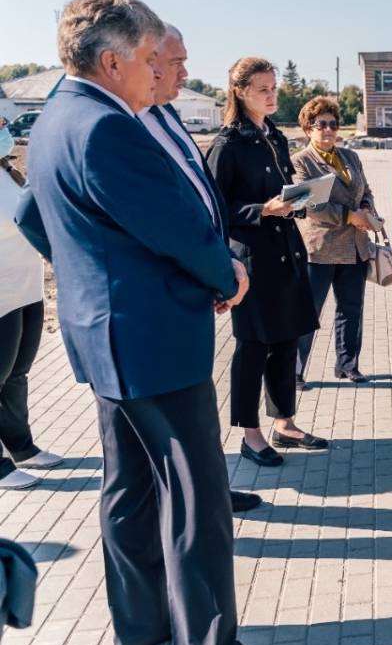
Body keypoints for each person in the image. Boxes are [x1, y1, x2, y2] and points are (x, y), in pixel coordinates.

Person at [15, 0, 295, 645]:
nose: (159, 72)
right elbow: (172, 232)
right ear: (112, 61)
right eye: (149, 58)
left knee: (131, 488)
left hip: (106, 339)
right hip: (153, 341)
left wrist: (91, 279)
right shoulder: (107, 128)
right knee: (198, 503)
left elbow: (30, 216)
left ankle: (139, 631)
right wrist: (225, 275)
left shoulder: (58, 118)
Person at [135, 25, 265, 512]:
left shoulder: (164, 114)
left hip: (194, 289)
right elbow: (166, 224)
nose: (186, 72)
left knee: (196, 417)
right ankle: (195, 507)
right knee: (165, 430)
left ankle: (210, 491)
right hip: (159, 302)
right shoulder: (122, 125)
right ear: (144, 60)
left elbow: (197, 198)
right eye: (176, 61)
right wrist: (219, 268)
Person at [207, 58, 325, 468]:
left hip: (287, 252)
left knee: (287, 339)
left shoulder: (274, 137)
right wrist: (262, 210)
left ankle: (285, 423)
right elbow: (215, 209)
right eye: (263, 88)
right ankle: (249, 433)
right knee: (254, 347)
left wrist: (297, 201)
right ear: (240, 92)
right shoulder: (227, 144)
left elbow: (280, 190)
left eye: (274, 87)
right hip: (253, 259)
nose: (272, 94)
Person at [293, 95, 378, 389]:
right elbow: (309, 206)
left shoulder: (351, 157)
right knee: (307, 312)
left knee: (351, 309)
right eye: (321, 124)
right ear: (308, 128)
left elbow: (365, 189)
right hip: (319, 250)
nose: (328, 130)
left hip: (355, 248)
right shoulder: (300, 162)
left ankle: (348, 365)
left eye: (333, 124)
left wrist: (367, 209)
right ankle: (294, 371)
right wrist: (348, 216)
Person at [0, 120, 64, 491]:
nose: (5, 128)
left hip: (28, 289)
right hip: (2, 294)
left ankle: (21, 448)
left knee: (17, 374)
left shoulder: (9, 170)